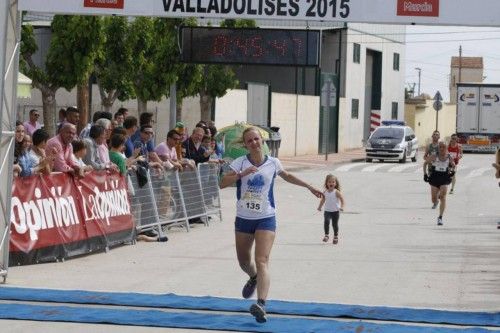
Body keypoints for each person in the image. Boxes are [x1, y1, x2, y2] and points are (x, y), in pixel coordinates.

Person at [220, 127, 323, 323]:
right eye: (249, 141)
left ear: (262, 141)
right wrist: (242, 174)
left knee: (262, 260)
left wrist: (309, 186)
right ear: (245, 144)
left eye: (256, 139)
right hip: (243, 218)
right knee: (244, 261)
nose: (254, 143)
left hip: (266, 217)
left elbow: (287, 176)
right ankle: (253, 277)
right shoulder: (239, 162)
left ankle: (261, 304)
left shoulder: (273, 162)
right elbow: (222, 183)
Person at [424, 141, 455, 226]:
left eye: (443, 147)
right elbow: (425, 163)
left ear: (446, 148)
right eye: (440, 147)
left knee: (443, 197)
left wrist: (452, 171)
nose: (441, 149)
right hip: (435, 177)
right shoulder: (434, 156)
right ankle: (436, 201)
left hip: (444, 177)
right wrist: (425, 174)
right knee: (433, 199)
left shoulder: (449, 157)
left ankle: (440, 217)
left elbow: (453, 165)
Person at [317, 174, 345, 244]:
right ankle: (326, 235)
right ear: (327, 183)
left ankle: (335, 236)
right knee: (326, 222)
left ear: (335, 183)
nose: (331, 183)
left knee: (334, 224)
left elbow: (342, 200)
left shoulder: (336, 192)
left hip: (335, 211)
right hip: (327, 211)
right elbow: (322, 200)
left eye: (333, 182)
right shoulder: (325, 192)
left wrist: (342, 207)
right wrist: (320, 207)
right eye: (329, 182)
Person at [423, 130, 441, 208]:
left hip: (440, 168)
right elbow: (424, 156)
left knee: (439, 184)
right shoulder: (429, 146)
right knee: (433, 186)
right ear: (432, 136)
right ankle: (435, 201)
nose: (435, 136)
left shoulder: (441, 146)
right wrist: (428, 159)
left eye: (437, 135)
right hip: (431, 168)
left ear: (439, 137)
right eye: (434, 134)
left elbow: (445, 155)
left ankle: (439, 195)